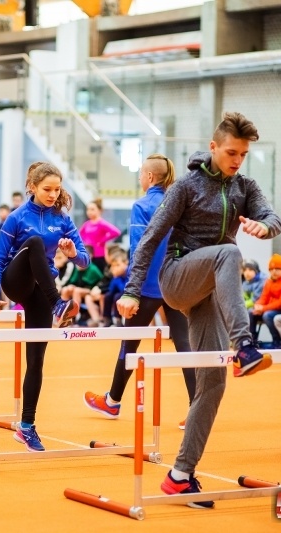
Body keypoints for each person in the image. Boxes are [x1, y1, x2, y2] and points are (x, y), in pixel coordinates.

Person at [116, 112, 280, 507]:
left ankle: (180, 475)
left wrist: (266, 227)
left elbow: (272, 217)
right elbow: (151, 237)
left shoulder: (245, 187)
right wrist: (133, 291)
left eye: (243, 154)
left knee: (213, 384)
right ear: (213, 147)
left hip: (209, 291)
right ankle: (245, 346)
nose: (237, 160)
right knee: (228, 251)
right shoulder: (187, 187)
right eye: (230, 152)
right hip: (177, 278)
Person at [84, 153, 196, 432]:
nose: (138, 178)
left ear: (149, 177)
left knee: (129, 344)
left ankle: (112, 401)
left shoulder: (142, 205)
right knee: (183, 342)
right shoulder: (179, 203)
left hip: (146, 286)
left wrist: (131, 290)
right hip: (175, 282)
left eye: (140, 174)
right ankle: (197, 408)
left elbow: (139, 248)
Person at [0, 161, 88, 452]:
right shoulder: (16, 218)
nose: (53, 194)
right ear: (32, 187)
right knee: (32, 243)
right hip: (15, 282)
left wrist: (72, 255)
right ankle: (59, 306)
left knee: (37, 360)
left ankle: (27, 426)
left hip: (42, 289)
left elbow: (85, 260)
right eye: (47, 189)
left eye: (57, 189)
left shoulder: (63, 218)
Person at [249, 254, 281, 347]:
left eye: (277, 269)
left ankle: (277, 341)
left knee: (267, 315)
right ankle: (252, 341)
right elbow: (264, 297)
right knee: (251, 312)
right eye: (271, 269)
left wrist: (263, 308)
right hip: (270, 308)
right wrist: (258, 306)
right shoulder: (269, 281)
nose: (274, 272)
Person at [79, 198, 121, 273]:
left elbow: (116, 232)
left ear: (100, 210)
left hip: (100, 255)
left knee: (100, 273)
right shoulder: (87, 224)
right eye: (88, 209)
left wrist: (102, 241)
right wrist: (86, 243)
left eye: (92, 209)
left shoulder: (102, 223)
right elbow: (79, 234)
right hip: (89, 254)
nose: (89, 212)